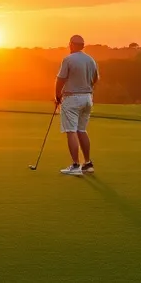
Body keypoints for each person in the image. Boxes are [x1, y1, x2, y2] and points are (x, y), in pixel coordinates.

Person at [55, 34, 98, 176]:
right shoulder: (91, 59)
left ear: (72, 44)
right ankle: (87, 164)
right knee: (81, 130)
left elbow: (60, 80)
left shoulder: (68, 59)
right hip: (87, 98)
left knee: (71, 131)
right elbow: (95, 79)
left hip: (72, 98)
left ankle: (75, 165)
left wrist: (57, 96)